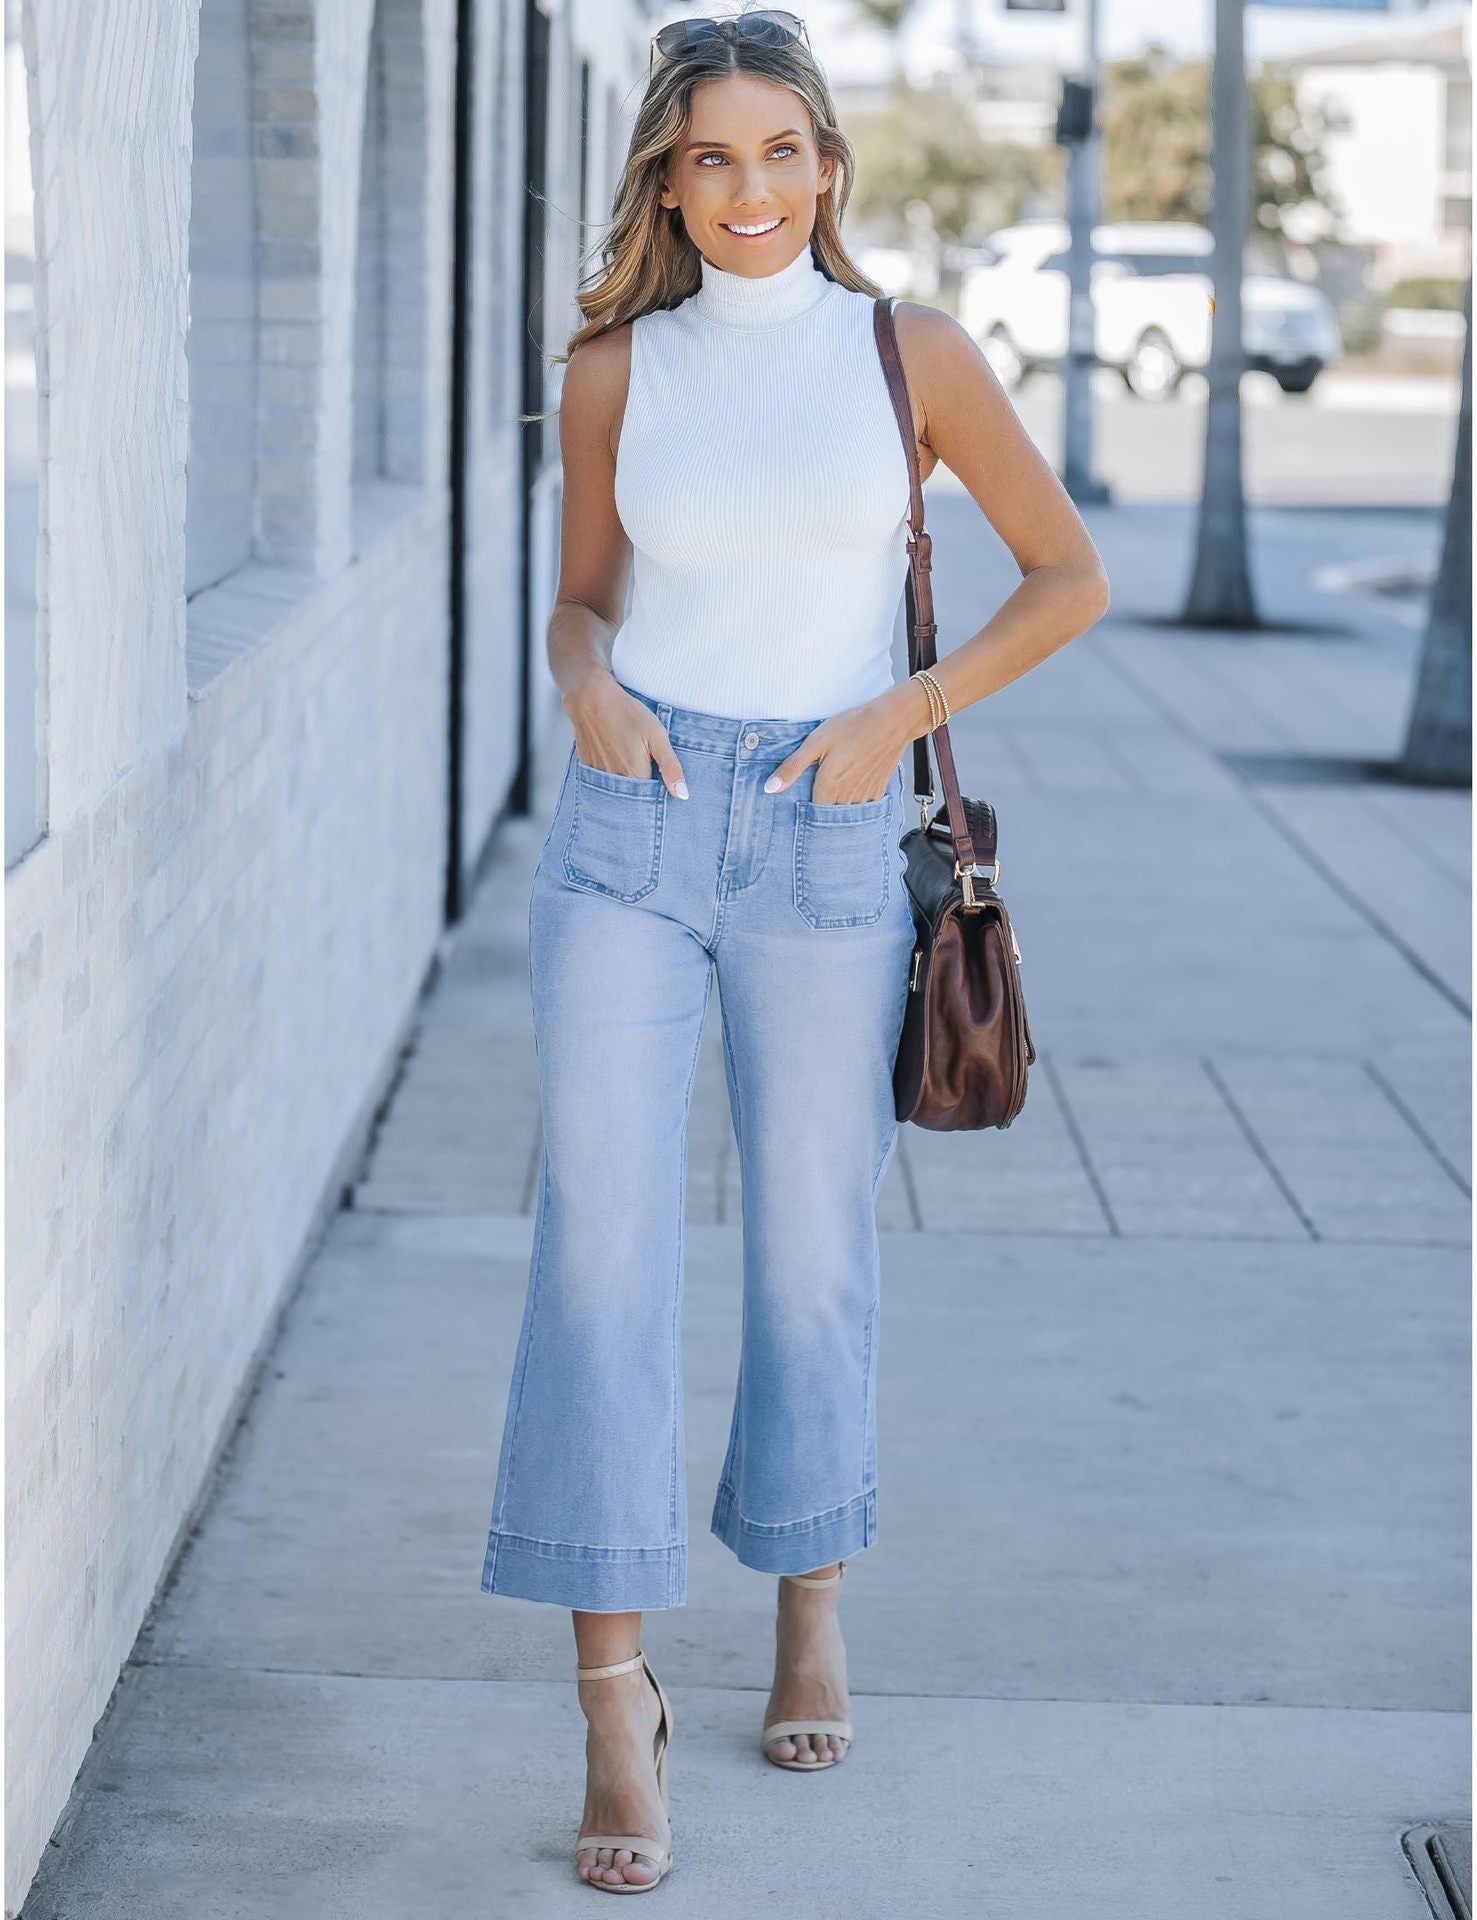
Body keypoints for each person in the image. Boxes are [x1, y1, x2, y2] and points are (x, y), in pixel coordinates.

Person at [478, 8, 1110, 1894]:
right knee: (596, 1260)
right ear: (665, 179)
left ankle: (807, 1602)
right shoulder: (613, 370)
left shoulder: (908, 354)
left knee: (813, 1256)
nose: (745, 190)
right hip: (632, 827)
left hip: (836, 833)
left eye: (777, 152)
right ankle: (613, 1700)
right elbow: (581, 594)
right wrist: (581, 677)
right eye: (707, 158)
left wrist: (897, 709)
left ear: (828, 164)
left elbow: (1064, 574)